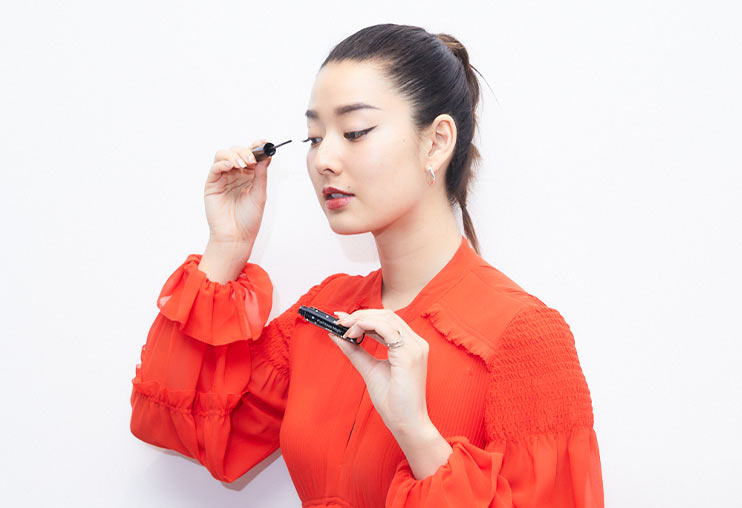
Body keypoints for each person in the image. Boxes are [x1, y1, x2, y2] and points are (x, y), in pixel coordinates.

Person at [129, 23, 605, 508]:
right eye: (315, 137)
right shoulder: (321, 316)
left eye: (355, 132)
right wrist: (227, 246)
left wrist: (415, 432)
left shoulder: (523, 338)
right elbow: (189, 427)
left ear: (437, 142)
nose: (324, 159)